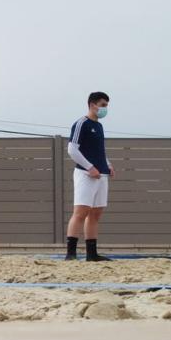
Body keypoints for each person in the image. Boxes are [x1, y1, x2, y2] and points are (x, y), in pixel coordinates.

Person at [66, 93, 114, 261]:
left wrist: (108, 165)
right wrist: (89, 167)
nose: (105, 108)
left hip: (101, 174)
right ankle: (70, 254)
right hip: (85, 174)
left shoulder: (99, 126)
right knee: (80, 212)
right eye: (102, 104)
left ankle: (91, 254)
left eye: (106, 105)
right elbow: (72, 149)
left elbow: (99, 150)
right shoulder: (81, 124)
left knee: (96, 213)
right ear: (92, 104)